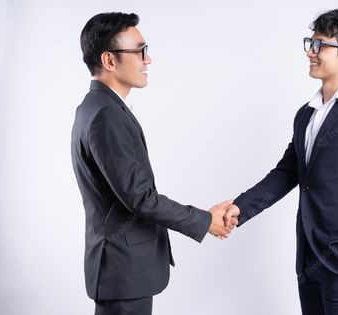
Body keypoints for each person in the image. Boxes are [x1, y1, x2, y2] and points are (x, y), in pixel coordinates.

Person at [225, 9, 338, 315]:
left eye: (320, 45)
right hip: (309, 259)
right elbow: (287, 173)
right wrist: (239, 208)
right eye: (310, 43)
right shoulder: (306, 114)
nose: (310, 52)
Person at [71, 12, 235, 315]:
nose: (148, 60)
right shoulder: (105, 115)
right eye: (139, 51)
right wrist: (204, 221)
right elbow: (140, 199)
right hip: (123, 272)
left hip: (122, 270)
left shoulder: (97, 108)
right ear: (109, 60)